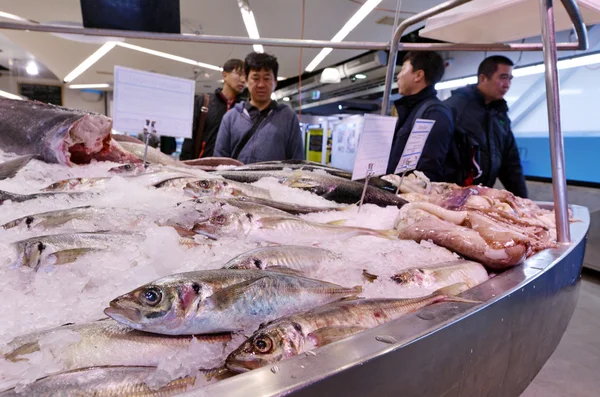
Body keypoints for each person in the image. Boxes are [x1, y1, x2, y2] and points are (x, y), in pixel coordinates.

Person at [444, 55, 527, 198]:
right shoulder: (454, 109)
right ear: (483, 78)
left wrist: (523, 202)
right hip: (451, 198)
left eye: (510, 78)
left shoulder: (500, 115)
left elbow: (511, 165)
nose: (507, 84)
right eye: (503, 77)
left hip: (481, 198)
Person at [214, 52, 304, 164]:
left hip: (274, 181)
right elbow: (220, 162)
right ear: (246, 80)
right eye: (255, 78)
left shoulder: (288, 117)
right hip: (235, 181)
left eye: (267, 78)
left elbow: (297, 160)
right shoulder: (231, 117)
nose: (261, 84)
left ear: (275, 82)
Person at [386, 51, 454, 181]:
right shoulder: (413, 110)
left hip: (409, 197)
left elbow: (427, 171)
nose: (398, 76)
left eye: (403, 69)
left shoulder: (433, 113)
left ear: (418, 75)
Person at [178, 58, 246, 160]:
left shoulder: (243, 109)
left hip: (230, 170)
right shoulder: (205, 102)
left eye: (246, 76)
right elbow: (190, 138)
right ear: (225, 75)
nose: (243, 79)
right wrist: (185, 165)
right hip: (201, 168)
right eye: (239, 74)